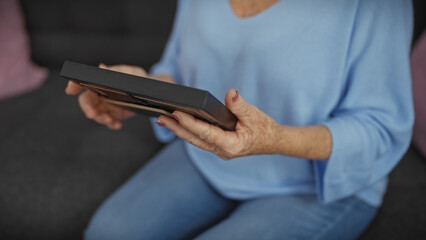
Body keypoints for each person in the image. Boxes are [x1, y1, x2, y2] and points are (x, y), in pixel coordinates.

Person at [66, 0, 414, 239]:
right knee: (108, 232)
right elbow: (177, 71)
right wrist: (137, 91)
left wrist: (273, 139)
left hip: (316, 182)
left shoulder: (376, 7)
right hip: (208, 154)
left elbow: (379, 128)